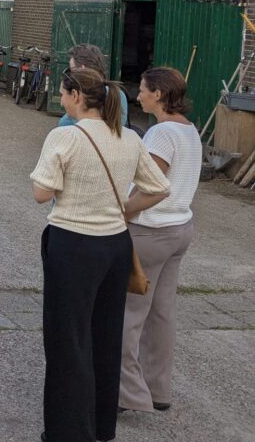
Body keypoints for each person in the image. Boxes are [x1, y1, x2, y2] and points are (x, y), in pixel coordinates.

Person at [30, 67, 170, 442]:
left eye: (63, 93)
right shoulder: (129, 137)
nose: (61, 99)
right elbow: (159, 188)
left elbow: (42, 193)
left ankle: (68, 431)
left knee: (68, 338)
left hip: (72, 244)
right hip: (115, 245)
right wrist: (124, 210)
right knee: (106, 335)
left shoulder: (64, 136)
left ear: (77, 95)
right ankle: (101, 425)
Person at [119, 67, 200, 413]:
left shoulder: (162, 133)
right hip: (179, 228)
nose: (138, 95)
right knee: (162, 313)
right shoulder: (189, 130)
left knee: (128, 312)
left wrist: (123, 212)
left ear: (159, 94)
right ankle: (157, 389)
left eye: (143, 90)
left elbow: (150, 184)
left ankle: (126, 394)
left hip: (150, 231)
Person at [58, 44, 129, 129]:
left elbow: (64, 124)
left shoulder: (80, 97)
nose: (70, 75)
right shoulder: (117, 94)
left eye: (71, 70)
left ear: (82, 69)